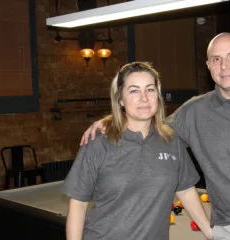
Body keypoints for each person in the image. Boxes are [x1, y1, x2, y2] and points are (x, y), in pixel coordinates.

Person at [81, 33, 230, 240]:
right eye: (216, 59)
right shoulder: (194, 111)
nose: (224, 66)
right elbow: (151, 128)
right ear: (208, 67)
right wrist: (112, 119)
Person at [62, 62, 212, 240]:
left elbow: (186, 190)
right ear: (120, 100)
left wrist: (212, 234)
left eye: (150, 89)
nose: (144, 98)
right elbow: (78, 204)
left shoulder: (171, 141)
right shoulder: (98, 143)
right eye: (134, 90)